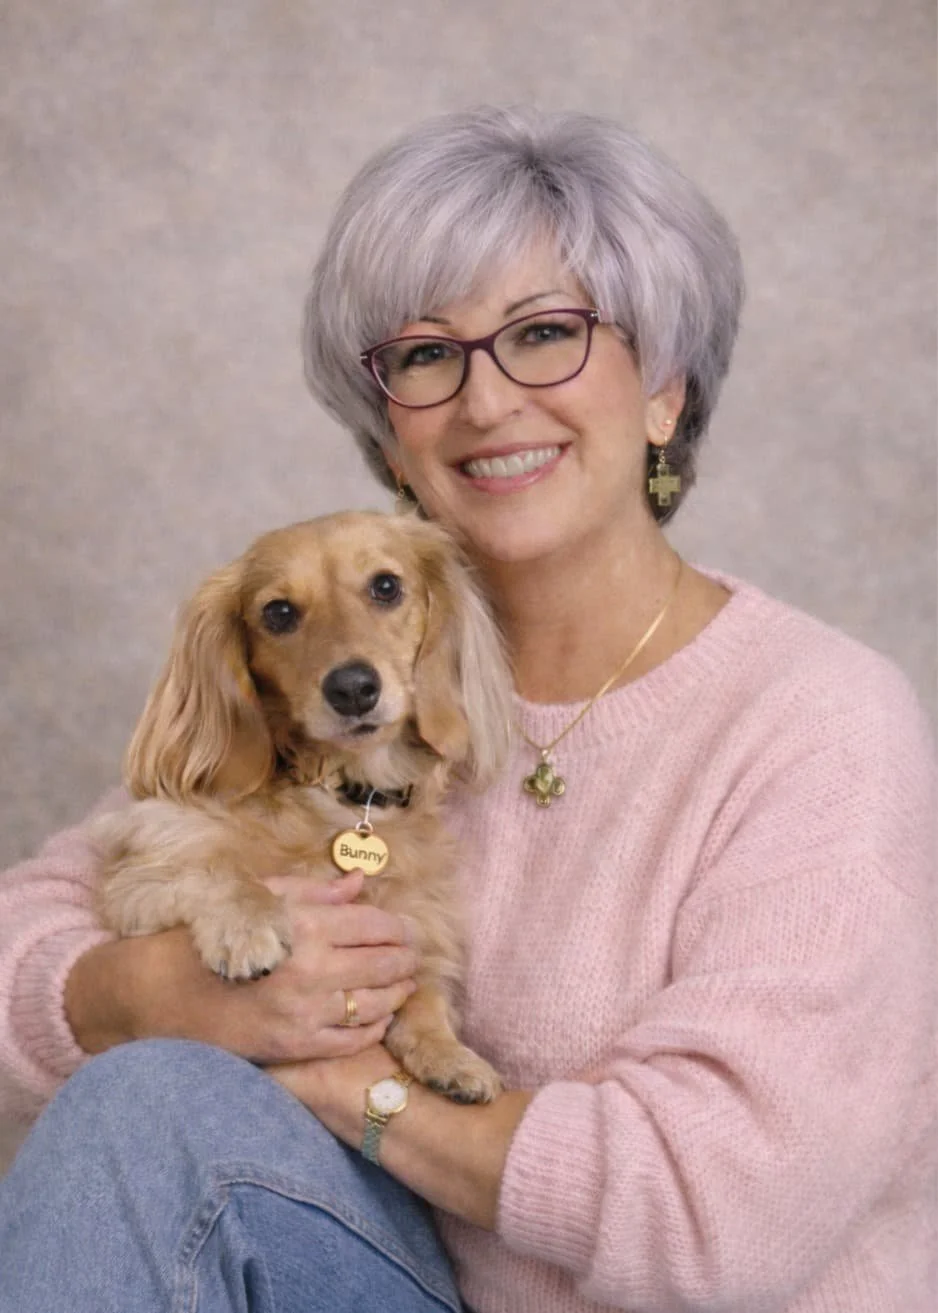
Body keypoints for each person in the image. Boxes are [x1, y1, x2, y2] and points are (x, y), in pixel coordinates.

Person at [0, 106, 934, 1313]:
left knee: (152, 1100)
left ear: (662, 389)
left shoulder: (819, 725)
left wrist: (331, 1068)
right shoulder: (326, 689)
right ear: (390, 433)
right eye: (427, 354)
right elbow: (37, 926)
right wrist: (145, 995)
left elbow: (719, 1209)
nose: (486, 404)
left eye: (544, 333)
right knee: (141, 1107)